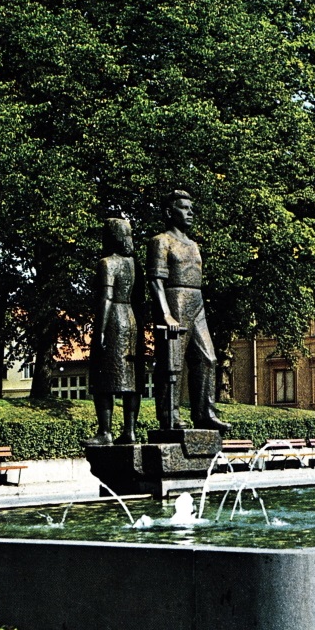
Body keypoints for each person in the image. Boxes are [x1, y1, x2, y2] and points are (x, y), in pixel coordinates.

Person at [147, 190, 230, 432]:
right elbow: (155, 280)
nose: (190, 212)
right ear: (169, 212)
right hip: (175, 299)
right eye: (184, 208)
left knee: (207, 358)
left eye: (190, 208)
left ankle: (204, 413)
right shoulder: (161, 241)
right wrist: (165, 313)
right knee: (172, 362)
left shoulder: (193, 245)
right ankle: (169, 416)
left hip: (197, 300)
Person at [84, 218, 144, 445]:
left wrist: (99, 330)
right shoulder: (133, 265)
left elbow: (106, 298)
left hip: (114, 321)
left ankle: (105, 431)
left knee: (103, 379)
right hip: (131, 320)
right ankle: (130, 430)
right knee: (131, 380)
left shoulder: (107, 263)